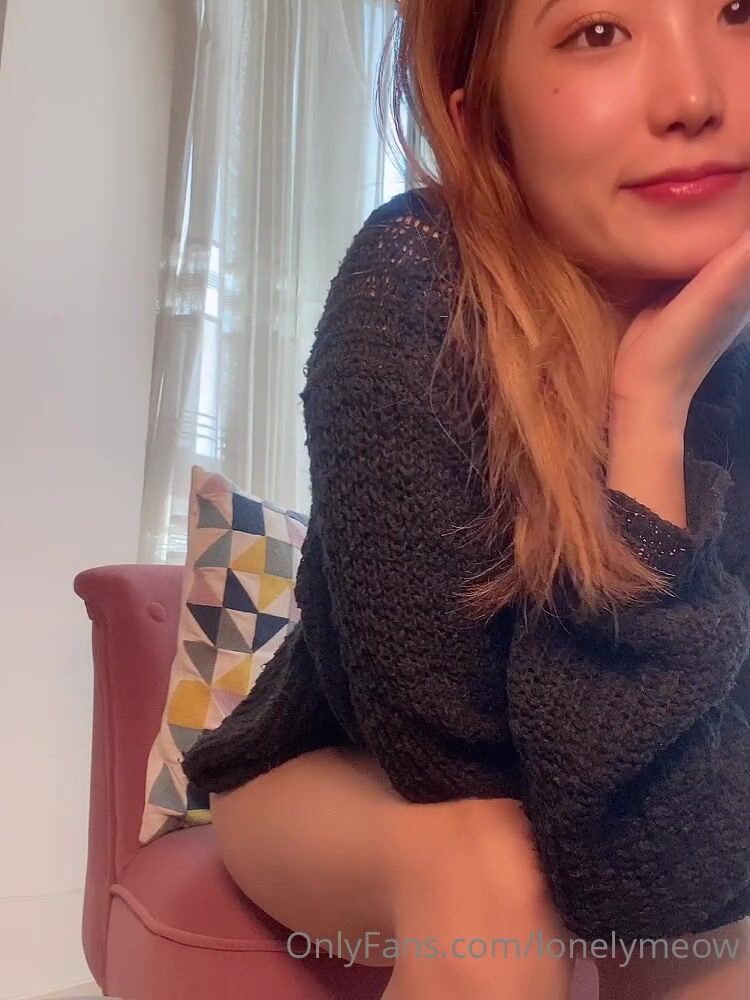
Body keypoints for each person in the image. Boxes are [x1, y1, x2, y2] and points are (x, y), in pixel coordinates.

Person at [180, 1, 750, 997]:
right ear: (484, 118)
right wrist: (651, 411)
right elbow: (454, 765)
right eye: (597, 31)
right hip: (344, 769)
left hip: (603, 778)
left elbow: (675, 857)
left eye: (740, 10)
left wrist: (665, 385)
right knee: (492, 871)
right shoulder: (416, 284)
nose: (693, 96)